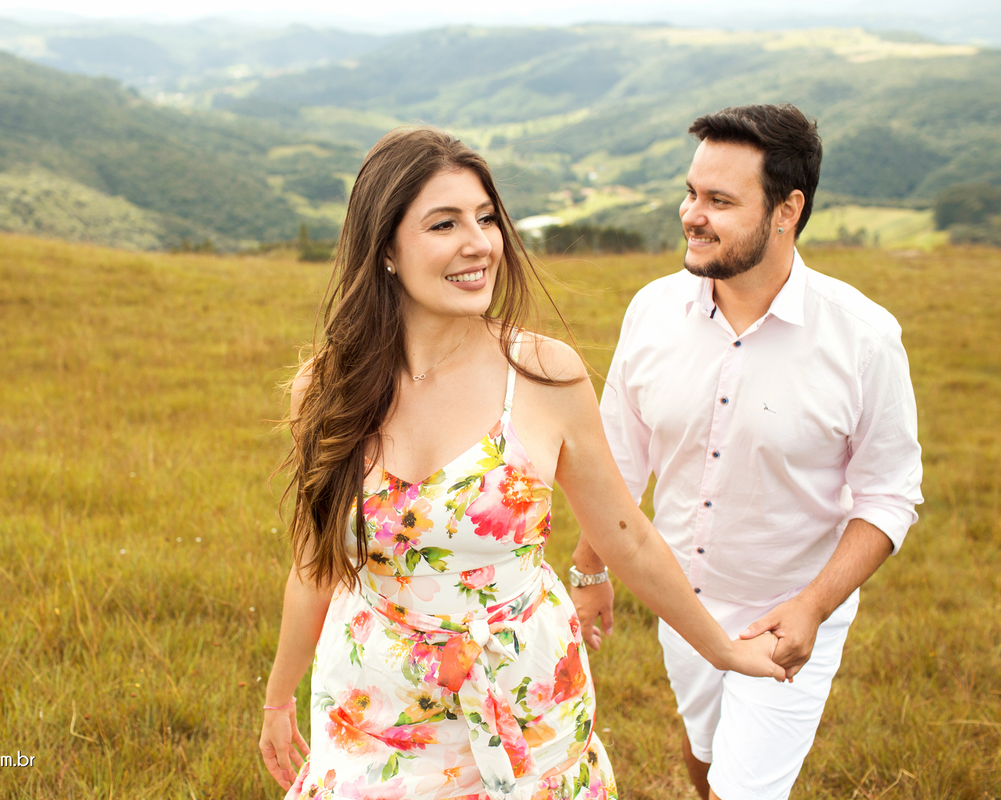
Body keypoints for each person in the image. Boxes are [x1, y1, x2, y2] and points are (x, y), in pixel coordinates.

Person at [258, 127, 785, 800]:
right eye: (444, 223)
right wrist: (279, 697)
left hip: (523, 698)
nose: (478, 243)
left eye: (485, 219)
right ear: (385, 249)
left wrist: (723, 649)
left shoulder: (541, 376)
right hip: (374, 705)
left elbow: (626, 533)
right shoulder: (326, 387)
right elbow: (314, 560)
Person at [571, 103, 924, 800]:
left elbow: (890, 494)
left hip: (788, 615)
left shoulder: (864, 338)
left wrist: (815, 606)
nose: (691, 215)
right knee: (704, 753)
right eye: (692, 193)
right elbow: (616, 460)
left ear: (787, 210)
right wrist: (589, 570)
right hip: (682, 601)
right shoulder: (650, 311)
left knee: (744, 789)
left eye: (720, 201)